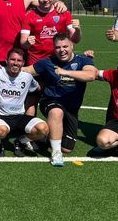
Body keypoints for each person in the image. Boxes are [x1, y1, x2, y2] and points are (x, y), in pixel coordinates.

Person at [23, 33, 97, 167]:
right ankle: (56, 154)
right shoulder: (47, 62)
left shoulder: (83, 60)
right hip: (51, 101)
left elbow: (91, 75)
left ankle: (43, 136)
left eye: (65, 46)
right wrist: (1, 69)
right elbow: (26, 70)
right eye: (57, 47)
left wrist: (65, 72)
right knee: (56, 112)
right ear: (53, 48)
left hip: (71, 109)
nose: (62, 50)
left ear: (72, 45)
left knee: (67, 148)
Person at [0, 48, 49, 157]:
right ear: (6, 60)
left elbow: (36, 87)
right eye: (12, 59)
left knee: (43, 129)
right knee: (0, 131)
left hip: (19, 117)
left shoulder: (27, 77)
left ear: (23, 63)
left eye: (19, 61)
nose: (15, 63)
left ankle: (21, 141)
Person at [19, 0, 81, 65]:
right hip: (36, 61)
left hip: (59, 61)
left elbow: (75, 40)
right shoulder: (29, 16)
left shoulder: (63, 13)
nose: (45, 0)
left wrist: (77, 29)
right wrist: (28, 43)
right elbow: (23, 44)